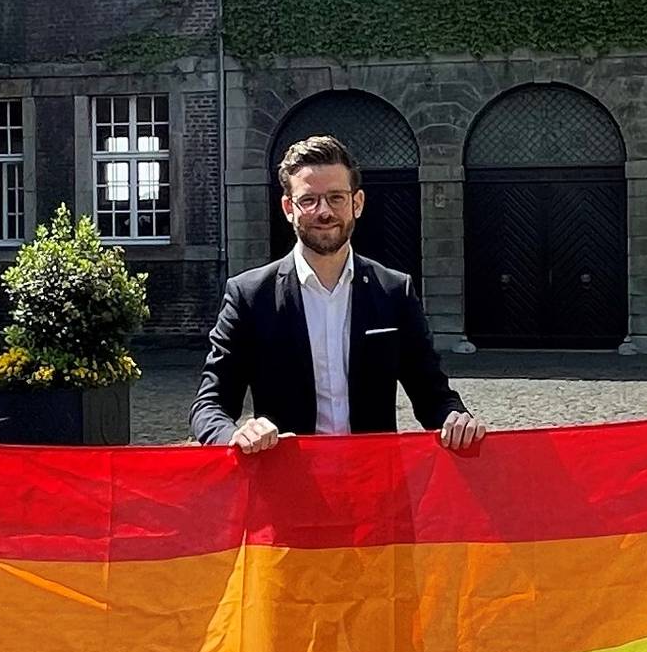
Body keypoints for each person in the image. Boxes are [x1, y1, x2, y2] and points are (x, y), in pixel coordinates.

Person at [192, 135, 487, 453]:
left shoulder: (394, 291)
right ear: (288, 207)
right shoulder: (249, 296)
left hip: (372, 483)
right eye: (309, 200)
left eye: (336, 198)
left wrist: (456, 420)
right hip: (284, 484)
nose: (324, 212)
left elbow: (432, 394)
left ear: (356, 203)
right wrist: (234, 435)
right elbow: (210, 405)